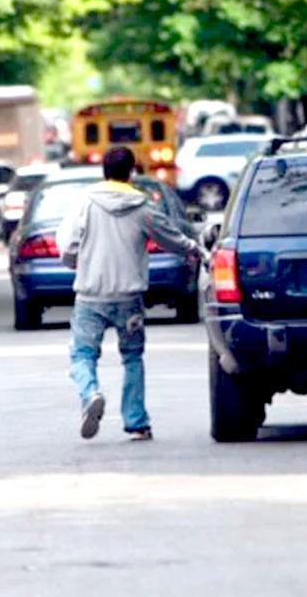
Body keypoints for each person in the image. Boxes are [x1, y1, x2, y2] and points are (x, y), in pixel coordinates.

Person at [57, 147, 202, 441]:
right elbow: (170, 237)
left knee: (83, 354)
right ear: (132, 172)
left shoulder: (84, 203)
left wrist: (80, 264)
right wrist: (194, 250)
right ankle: (136, 422)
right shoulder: (142, 206)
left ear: (104, 172)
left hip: (90, 295)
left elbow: (68, 248)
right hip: (129, 298)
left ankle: (90, 393)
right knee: (132, 357)